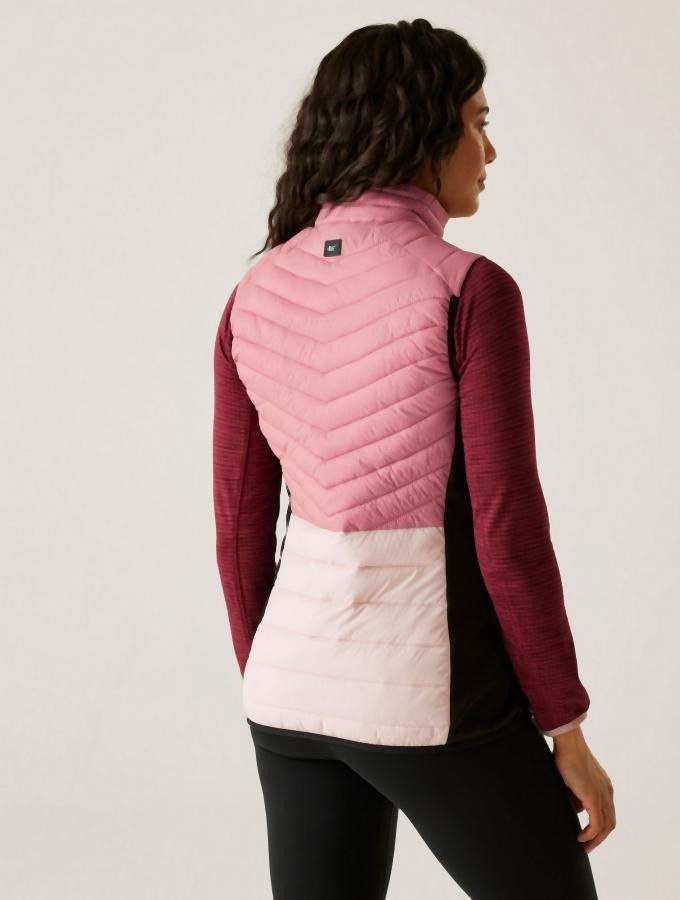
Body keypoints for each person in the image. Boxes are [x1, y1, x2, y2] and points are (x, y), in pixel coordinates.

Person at [212, 17, 615, 899]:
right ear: (418, 128)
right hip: (430, 695)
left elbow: (239, 527)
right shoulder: (468, 287)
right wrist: (565, 725)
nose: (490, 150)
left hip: (288, 694)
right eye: (476, 122)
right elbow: (507, 528)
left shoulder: (253, 291)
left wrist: (279, 676)